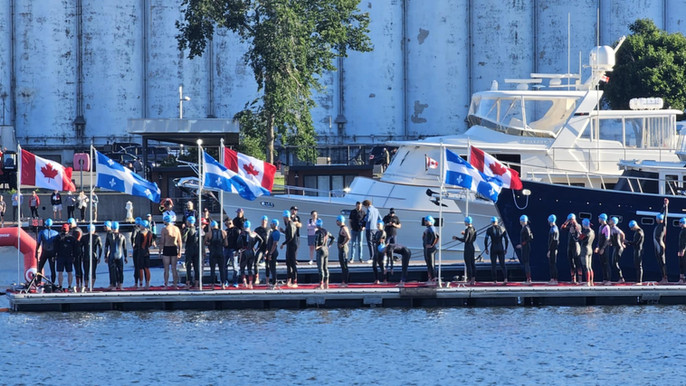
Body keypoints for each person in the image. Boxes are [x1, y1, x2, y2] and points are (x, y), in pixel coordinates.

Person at [237, 220, 262, 289]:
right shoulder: (254, 233)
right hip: (252, 251)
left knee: (242, 268)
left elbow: (238, 242)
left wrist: (240, 248)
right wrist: (257, 248)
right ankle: (250, 284)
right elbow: (261, 240)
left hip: (245, 251)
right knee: (250, 268)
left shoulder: (242, 234)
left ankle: (245, 283)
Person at [159, 215, 182, 288]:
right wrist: (180, 251)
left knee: (166, 268)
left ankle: (166, 285)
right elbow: (180, 241)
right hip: (174, 248)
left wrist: (160, 251)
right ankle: (175, 285)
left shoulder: (164, 229)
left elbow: (162, 241)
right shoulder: (176, 229)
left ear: (165, 221)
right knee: (174, 268)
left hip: (167, 248)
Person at [485, 216, 508, 284]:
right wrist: (506, 248)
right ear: (497, 222)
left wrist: (486, 248)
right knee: (503, 264)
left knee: (494, 265)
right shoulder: (502, 229)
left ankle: (495, 281)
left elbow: (486, 239)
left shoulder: (489, 229)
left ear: (491, 222)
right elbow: (506, 240)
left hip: (493, 247)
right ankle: (505, 279)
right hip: (500, 247)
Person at [56, 224, 79, 291]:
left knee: (60, 272)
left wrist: (55, 255)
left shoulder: (58, 237)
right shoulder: (72, 238)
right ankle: (69, 286)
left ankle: (60, 286)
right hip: (69, 256)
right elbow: (75, 248)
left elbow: (55, 247)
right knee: (69, 272)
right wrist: (75, 256)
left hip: (61, 256)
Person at [454, 216, 477, 285]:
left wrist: (457, 238)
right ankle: (473, 279)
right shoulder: (474, 229)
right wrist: (465, 234)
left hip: (467, 248)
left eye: (465, 222)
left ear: (467, 222)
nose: (464, 223)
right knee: (473, 263)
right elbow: (473, 237)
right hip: (472, 247)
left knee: (468, 264)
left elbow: (465, 240)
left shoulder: (467, 229)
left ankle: (469, 279)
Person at [104, 221, 127, 290]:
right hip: (120, 255)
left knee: (112, 271)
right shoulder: (122, 236)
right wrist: (125, 257)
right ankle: (120, 285)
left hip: (112, 255)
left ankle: (113, 285)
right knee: (120, 270)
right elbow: (124, 248)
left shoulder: (109, 236)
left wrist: (105, 256)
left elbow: (106, 247)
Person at [205, 220, 227, 289]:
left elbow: (205, 242)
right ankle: (223, 284)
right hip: (220, 252)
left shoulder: (209, 233)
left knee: (212, 269)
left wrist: (210, 244)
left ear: (211, 227)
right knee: (222, 269)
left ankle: (212, 285)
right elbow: (226, 244)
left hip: (213, 252)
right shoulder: (223, 232)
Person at [36, 218, 59, 285]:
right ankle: (53, 283)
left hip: (44, 252)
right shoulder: (56, 233)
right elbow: (57, 244)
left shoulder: (42, 232)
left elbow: (38, 243)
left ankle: (38, 282)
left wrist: (36, 253)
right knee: (52, 268)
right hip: (52, 253)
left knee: (40, 267)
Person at [314, 219, 335, 289]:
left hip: (320, 250)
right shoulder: (326, 231)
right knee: (325, 268)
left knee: (320, 268)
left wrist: (316, 247)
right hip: (326, 249)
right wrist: (329, 245)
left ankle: (321, 285)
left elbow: (316, 240)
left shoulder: (317, 232)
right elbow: (333, 238)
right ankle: (327, 284)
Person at [561, 213, 581, 283]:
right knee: (571, 262)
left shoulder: (578, 226)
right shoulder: (570, 227)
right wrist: (566, 222)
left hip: (576, 246)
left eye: (571, 220)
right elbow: (562, 228)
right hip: (570, 246)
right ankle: (573, 279)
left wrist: (573, 232)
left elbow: (578, 236)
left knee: (577, 262)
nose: (570, 221)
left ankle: (580, 279)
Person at [81, 224, 102, 291]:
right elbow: (100, 248)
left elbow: (80, 248)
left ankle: (86, 286)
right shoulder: (97, 237)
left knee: (86, 272)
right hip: (94, 256)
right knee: (93, 272)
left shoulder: (83, 237)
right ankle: (91, 287)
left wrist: (81, 256)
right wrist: (99, 257)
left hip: (85, 256)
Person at [281, 209, 299, 288]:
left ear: (285, 217)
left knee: (292, 263)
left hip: (292, 245)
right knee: (288, 263)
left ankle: (295, 281)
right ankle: (288, 280)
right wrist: (283, 231)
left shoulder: (291, 224)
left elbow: (291, 237)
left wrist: (283, 243)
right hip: (290, 245)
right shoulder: (288, 224)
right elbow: (289, 234)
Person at [653, 199, 669, 284]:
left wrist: (666, 206)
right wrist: (663, 206)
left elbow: (665, 216)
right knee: (659, 261)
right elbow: (661, 213)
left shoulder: (663, 226)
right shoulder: (658, 225)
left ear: (660, 220)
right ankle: (663, 277)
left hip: (660, 245)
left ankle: (665, 278)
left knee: (662, 262)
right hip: (657, 244)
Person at [594, 213, 612, 286]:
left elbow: (607, 239)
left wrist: (603, 248)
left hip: (605, 248)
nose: (598, 219)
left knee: (606, 263)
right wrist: (598, 247)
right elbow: (599, 239)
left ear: (602, 219)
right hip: (601, 247)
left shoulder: (606, 227)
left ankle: (608, 279)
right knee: (602, 263)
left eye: (599, 218)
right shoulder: (600, 227)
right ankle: (604, 278)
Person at [135, 220, 153, 289]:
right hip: (147, 252)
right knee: (147, 268)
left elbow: (137, 243)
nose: (140, 226)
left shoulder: (140, 233)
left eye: (141, 225)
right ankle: (147, 284)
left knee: (140, 268)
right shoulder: (150, 233)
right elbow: (150, 243)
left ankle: (141, 284)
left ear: (143, 226)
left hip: (141, 252)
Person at [183, 216, 201, 288]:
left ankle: (188, 283)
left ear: (189, 222)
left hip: (189, 250)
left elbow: (184, 240)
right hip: (197, 250)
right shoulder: (198, 230)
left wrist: (185, 231)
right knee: (196, 267)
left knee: (188, 267)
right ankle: (196, 283)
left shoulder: (187, 229)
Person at [625, 220, 645, 285]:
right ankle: (638, 280)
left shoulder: (639, 232)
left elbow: (636, 242)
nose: (631, 229)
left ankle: (639, 281)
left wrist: (627, 242)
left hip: (639, 250)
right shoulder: (638, 231)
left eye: (631, 228)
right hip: (637, 249)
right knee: (637, 265)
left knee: (639, 266)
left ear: (634, 226)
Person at [383, 208, 401, 275]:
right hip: (387, 233)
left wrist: (394, 225)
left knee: (393, 246)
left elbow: (399, 225)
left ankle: (392, 258)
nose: (392, 214)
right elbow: (383, 224)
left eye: (393, 213)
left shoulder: (396, 218)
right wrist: (388, 224)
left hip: (394, 234)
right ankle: (385, 257)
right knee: (386, 245)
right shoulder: (386, 217)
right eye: (391, 213)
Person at [516, 215, 533, 284]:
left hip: (526, 247)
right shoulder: (524, 228)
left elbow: (530, 238)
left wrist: (522, 244)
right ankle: (528, 278)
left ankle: (529, 279)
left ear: (522, 221)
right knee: (525, 262)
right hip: (524, 247)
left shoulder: (526, 228)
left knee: (526, 262)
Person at [254, 215, 271, 285]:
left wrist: (268, 250)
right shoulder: (257, 229)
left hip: (267, 248)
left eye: (265, 221)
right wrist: (253, 247)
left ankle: (267, 280)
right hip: (260, 248)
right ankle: (257, 278)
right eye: (263, 221)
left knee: (267, 265)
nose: (264, 222)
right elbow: (254, 240)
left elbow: (271, 241)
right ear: (261, 221)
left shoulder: (269, 229)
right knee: (256, 263)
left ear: (267, 222)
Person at [608, 216, 625, 283]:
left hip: (618, 247)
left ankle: (621, 278)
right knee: (613, 263)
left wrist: (622, 242)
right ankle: (619, 278)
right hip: (615, 247)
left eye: (611, 220)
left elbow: (622, 234)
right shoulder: (611, 228)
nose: (609, 221)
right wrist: (611, 242)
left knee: (615, 263)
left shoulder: (615, 228)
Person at [578, 218, 595, 286]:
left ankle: (587, 282)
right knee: (590, 267)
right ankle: (591, 282)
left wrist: (579, 232)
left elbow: (580, 238)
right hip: (590, 248)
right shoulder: (592, 231)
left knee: (586, 267)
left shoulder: (586, 231)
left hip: (585, 250)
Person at [422, 215, 439, 285]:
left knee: (431, 264)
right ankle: (430, 278)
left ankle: (433, 278)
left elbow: (436, 236)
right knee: (428, 264)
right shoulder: (428, 229)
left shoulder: (432, 228)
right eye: (425, 221)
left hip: (430, 249)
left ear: (430, 222)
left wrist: (432, 244)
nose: (425, 222)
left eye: (426, 221)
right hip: (427, 248)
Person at [224, 218, 240, 287]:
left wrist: (237, 250)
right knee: (224, 266)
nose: (228, 225)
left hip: (233, 250)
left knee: (235, 266)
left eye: (230, 223)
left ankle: (235, 281)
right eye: (227, 224)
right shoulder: (226, 231)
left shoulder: (236, 230)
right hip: (226, 249)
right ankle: (225, 281)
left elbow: (239, 241)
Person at [264, 219, 281, 289]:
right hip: (270, 251)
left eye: (272, 224)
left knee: (273, 268)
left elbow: (274, 244)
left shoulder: (276, 233)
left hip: (273, 252)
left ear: (274, 224)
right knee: (270, 267)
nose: (270, 225)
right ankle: (274, 282)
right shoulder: (272, 232)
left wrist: (270, 253)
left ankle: (274, 283)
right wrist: (267, 251)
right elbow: (270, 244)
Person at [336, 215, 351, 287]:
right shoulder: (342, 228)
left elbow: (348, 237)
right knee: (343, 265)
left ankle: (345, 282)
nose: (336, 222)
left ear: (340, 221)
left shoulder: (344, 228)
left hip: (343, 249)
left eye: (337, 221)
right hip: (342, 249)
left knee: (344, 265)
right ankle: (344, 281)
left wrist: (342, 244)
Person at [372, 220, 387, 284]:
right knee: (374, 265)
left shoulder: (383, 232)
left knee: (381, 265)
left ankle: (384, 279)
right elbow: (374, 240)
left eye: (379, 224)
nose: (378, 226)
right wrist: (375, 240)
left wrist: (375, 240)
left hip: (381, 250)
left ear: (382, 225)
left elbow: (378, 240)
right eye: (377, 224)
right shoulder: (377, 232)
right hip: (376, 250)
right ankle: (376, 279)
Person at [547, 215, 559, 285]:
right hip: (555, 248)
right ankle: (554, 278)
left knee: (552, 264)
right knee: (553, 263)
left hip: (553, 249)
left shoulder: (553, 229)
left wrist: (549, 250)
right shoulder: (556, 228)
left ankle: (553, 279)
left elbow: (552, 241)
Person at [130, 217, 142, 287]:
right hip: (143, 250)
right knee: (142, 267)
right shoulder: (145, 230)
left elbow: (132, 238)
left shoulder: (135, 229)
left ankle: (136, 283)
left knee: (136, 267)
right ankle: (143, 283)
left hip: (137, 250)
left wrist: (133, 245)